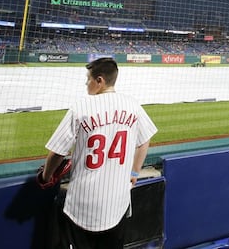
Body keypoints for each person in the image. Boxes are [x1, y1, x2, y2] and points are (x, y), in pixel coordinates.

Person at [41, 57, 158, 248]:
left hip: (82, 206)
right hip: (117, 205)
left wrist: (46, 176)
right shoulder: (132, 105)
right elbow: (144, 141)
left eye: (88, 79)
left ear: (100, 81)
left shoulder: (81, 107)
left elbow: (57, 152)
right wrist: (134, 172)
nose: (86, 83)